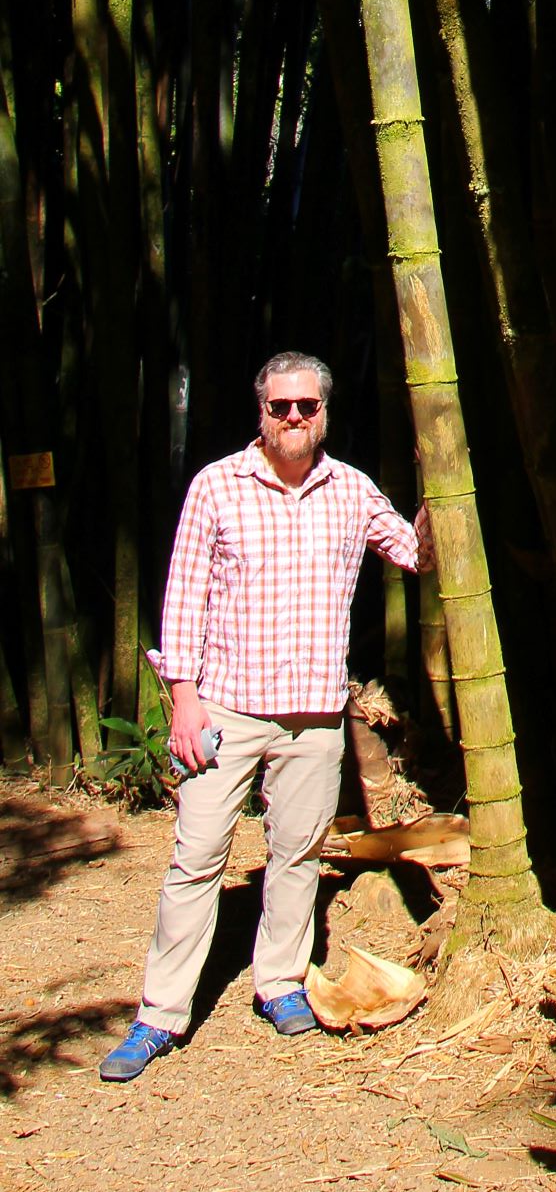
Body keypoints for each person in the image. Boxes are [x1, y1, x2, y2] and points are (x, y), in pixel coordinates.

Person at [100, 351, 435, 1083]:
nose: (293, 417)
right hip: (226, 707)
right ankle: (160, 1014)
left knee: (297, 854)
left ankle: (279, 983)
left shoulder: (352, 490)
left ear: (324, 413)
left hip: (314, 715)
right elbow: (184, 597)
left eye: (306, 406)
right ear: (261, 411)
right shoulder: (217, 485)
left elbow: (416, 555)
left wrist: (442, 480)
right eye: (280, 406)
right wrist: (183, 701)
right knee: (197, 858)